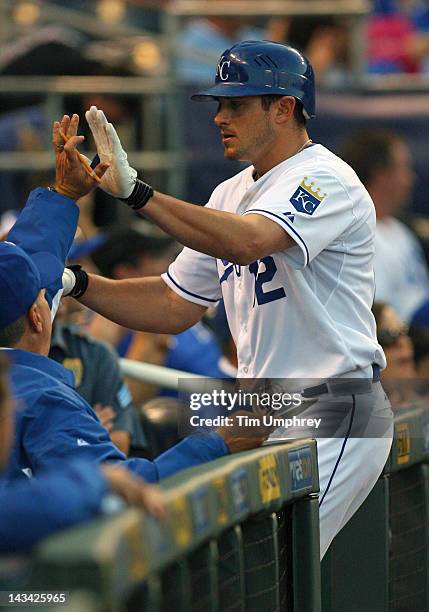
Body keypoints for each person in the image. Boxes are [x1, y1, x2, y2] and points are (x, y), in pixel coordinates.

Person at [63, 40, 394, 559]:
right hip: (262, 410)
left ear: (283, 108)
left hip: (333, 407)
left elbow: (247, 242)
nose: (219, 116)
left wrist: (137, 194)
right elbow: (173, 305)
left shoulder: (327, 178)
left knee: (277, 569)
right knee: (248, 578)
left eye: (236, 104)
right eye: (218, 104)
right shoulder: (231, 192)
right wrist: (79, 284)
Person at [0, 114, 266, 487]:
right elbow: (116, 492)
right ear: (37, 316)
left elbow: (27, 265)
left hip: (243, 398)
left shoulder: (20, 317)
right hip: (236, 406)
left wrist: (63, 194)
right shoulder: (41, 398)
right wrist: (217, 445)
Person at [0, 353, 165, 554]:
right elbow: (31, 507)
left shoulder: (95, 354)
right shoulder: (44, 391)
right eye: (10, 409)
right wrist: (98, 478)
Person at [340, 129, 429, 323]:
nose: (411, 179)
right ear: (382, 175)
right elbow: (377, 311)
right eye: (404, 168)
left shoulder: (401, 230)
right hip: (394, 335)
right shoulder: (359, 235)